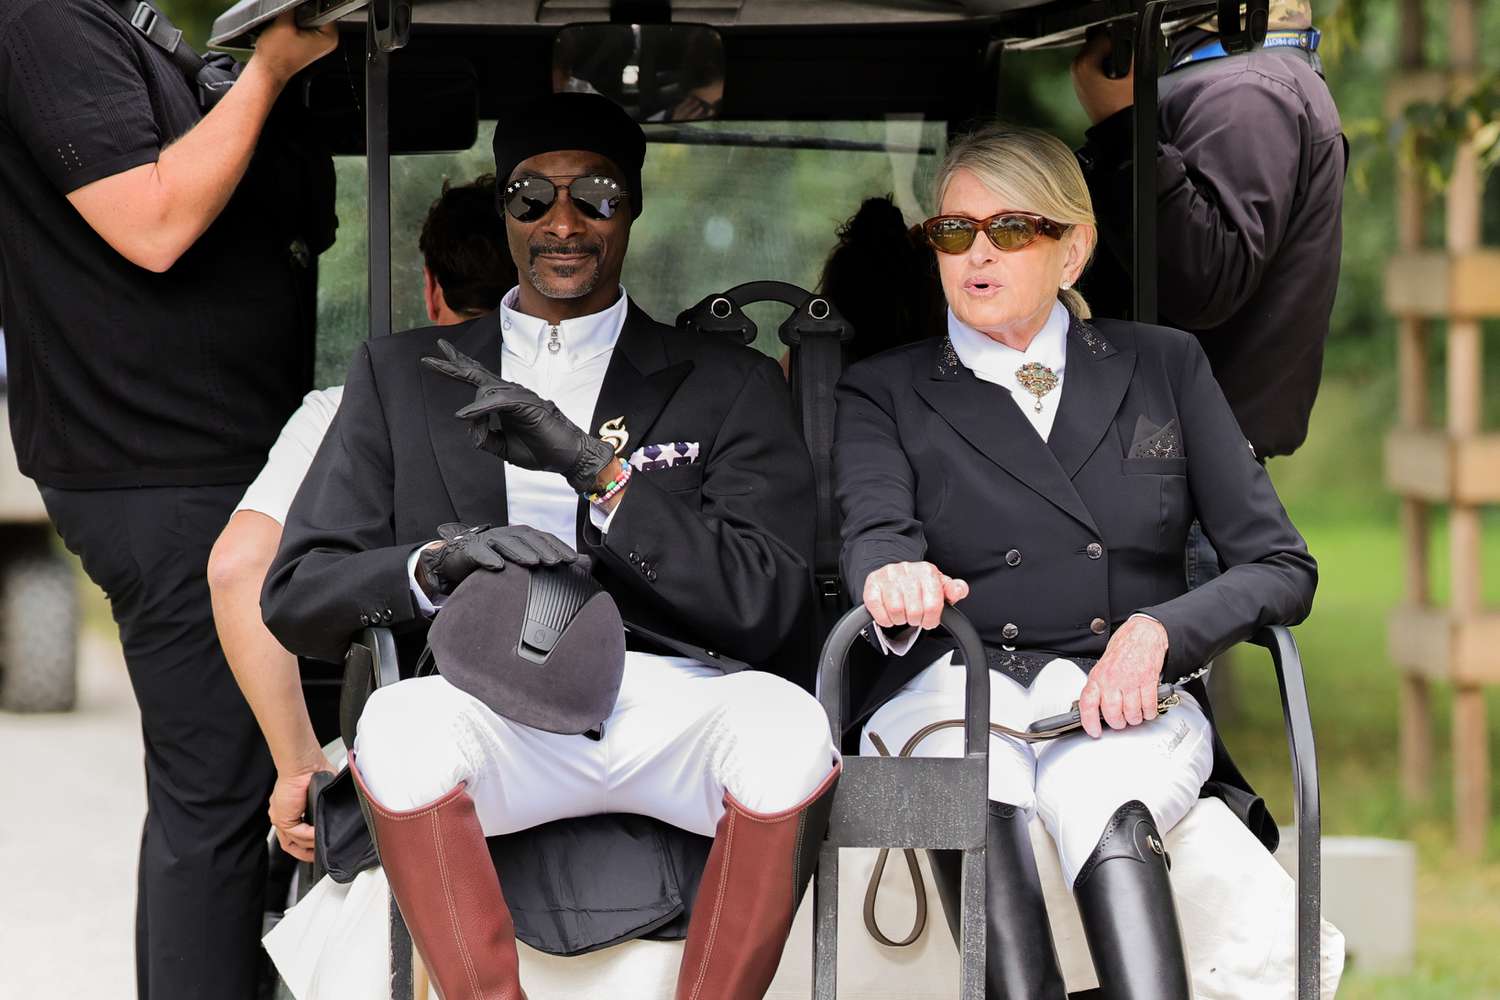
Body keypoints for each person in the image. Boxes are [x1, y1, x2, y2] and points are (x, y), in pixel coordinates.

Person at [262, 92, 840, 1000]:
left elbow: (774, 601)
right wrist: (430, 569)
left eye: (596, 195)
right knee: (395, 729)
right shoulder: (400, 374)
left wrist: (599, 474)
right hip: (486, 704)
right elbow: (297, 593)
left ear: (633, 205)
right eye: (533, 196)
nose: (563, 222)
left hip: (668, 702)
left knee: (794, 732)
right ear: (504, 209)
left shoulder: (726, 382)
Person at [833, 123, 1317, 998]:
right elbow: (875, 528)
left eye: (1010, 230)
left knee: (1113, 815)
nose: (977, 253)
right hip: (954, 683)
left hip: (1116, 690)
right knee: (963, 805)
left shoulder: (1164, 365)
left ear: (1073, 249)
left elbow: (1282, 565)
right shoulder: (884, 387)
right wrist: (891, 575)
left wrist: (1161, 634)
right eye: (953, 232)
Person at [0, 4, 334, 996]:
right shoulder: (41, 17)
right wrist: (269, 72)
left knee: (238, 795)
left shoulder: (110, 23)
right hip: (160, 470)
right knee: (223, 801)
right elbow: (152, 221)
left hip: (202, 461)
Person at [207, 174, 517, 864]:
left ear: (432, 289)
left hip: (418, 744)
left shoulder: (343, 408)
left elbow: (236, 570)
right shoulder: (596, 411)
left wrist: (300, 769)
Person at [1069, 0, 1345, 466]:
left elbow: (1203, 279)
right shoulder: (1245, 79)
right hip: (1179, 467)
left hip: (1181, 478)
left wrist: (1121, 130)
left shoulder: (1246, 87)